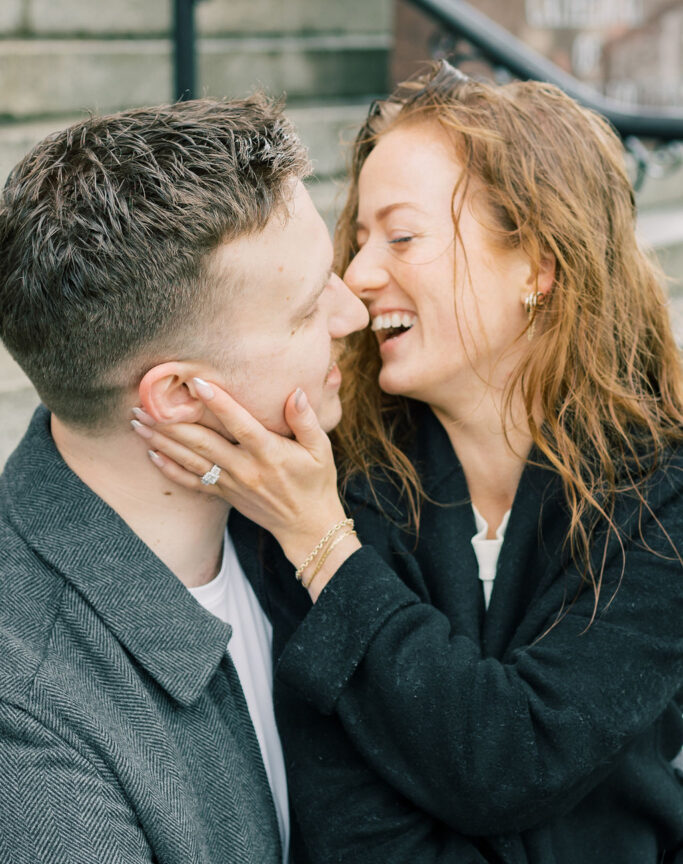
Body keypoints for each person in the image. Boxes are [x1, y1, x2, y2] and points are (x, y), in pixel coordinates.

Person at [134, 62, 683, 864]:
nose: (355, 280)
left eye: (400, 236)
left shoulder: (660, 492)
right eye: (358, 238)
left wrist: (328, 550)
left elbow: (516, 759)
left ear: (536, 264)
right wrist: (321, 531)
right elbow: (352, 831)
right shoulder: (321, 485)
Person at [0, 94, 375, 864]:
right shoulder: (30, 721)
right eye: (307, 309)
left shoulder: (305, 501)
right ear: (177, 397)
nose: (353, 314)